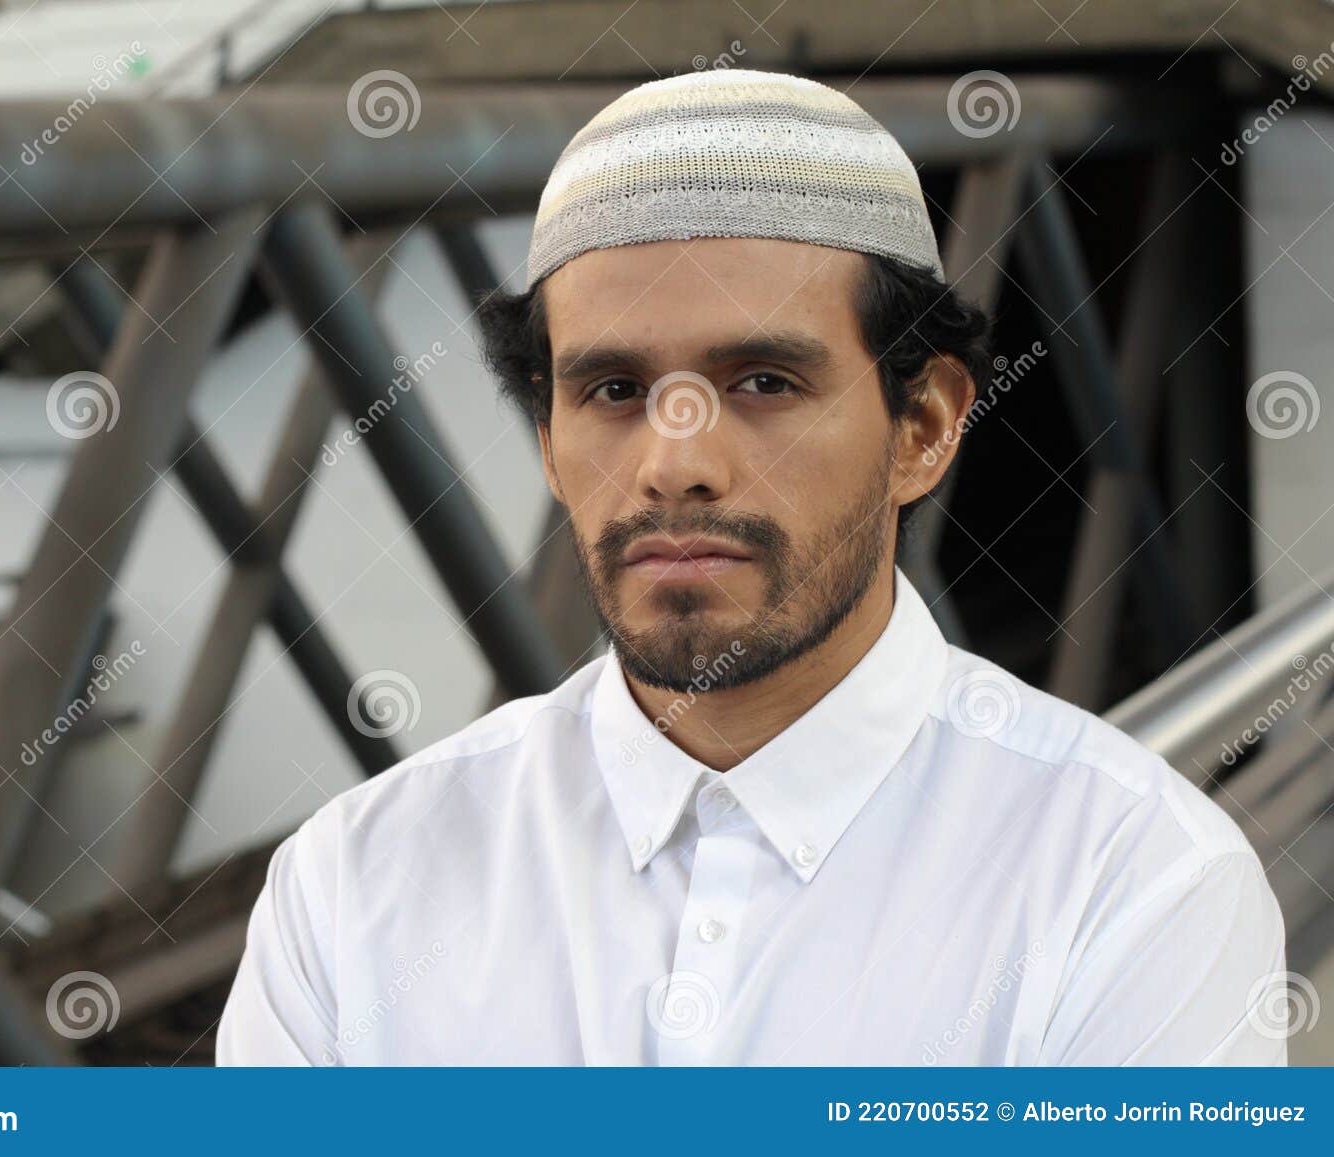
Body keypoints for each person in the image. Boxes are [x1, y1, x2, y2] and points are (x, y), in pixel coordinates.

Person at [217, 68, 1285, 1065]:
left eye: (765, 380)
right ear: (548, 439)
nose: (675, 463)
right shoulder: (351, 885)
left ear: (922, 424)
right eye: (612, 391)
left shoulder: (1135, 883)